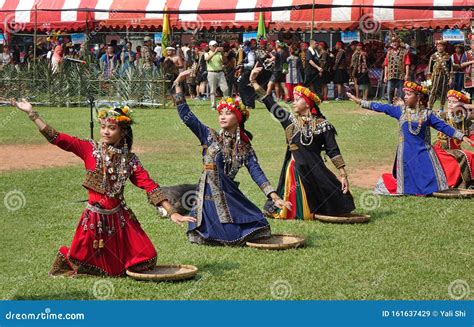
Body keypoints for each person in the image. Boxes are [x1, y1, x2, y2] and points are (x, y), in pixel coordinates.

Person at [11, 99, 195, 276]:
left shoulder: (130, 160)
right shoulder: (89, 149)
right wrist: (31, 113)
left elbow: (149, 185)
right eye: (103, 127)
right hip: (94, 217)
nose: (105, 132)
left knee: (146, 259)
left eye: (111, 128)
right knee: (84, 261)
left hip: (119, 215)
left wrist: (171, 211)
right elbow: (58, 138)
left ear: (123, 132)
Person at [172, 70, 291, 245]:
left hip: (230, 193)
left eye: (228, 113)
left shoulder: (244, 147)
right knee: (219, 233)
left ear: (239, 117)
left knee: (259, 224)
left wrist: (274, 197)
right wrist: (178, 85)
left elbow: (256, 172)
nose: (222, 116)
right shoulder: (209, 135)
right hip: (208, 195)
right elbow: (187, 117)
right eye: (221, 113)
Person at [249, 66, 355, 220]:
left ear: (308, 103)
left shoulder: (323, 125)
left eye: (297, 99)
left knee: (339, 196)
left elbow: (333, 150)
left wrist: (343, 174)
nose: (293, 102)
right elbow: (270, 102)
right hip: (294, 170)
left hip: (315, 168)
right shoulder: (289, 121)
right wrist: (253, 81)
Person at [347, 81, 473, 195]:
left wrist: (461, 136)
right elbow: (381, 107)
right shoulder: (400, 111)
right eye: (405, 94)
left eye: (409, 94)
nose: (405, 97)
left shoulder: (427, 114)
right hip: (406, 153)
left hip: (425, 152)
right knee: (407, 186)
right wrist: (360, 102)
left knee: (434, 187)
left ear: (418, 97)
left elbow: (443, 127)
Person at [433, 90, 474, 188]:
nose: (450, 104)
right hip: (440, 150)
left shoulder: (466, 122)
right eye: (449, 101)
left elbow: (472, 138)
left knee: (470, 156)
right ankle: (466, 184)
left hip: (455, 151)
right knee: (465, 155)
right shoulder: (442, 116)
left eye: (454, 102)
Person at [427, 40, 452, 112]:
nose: (440, 48)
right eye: (438, 46)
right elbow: (429, 69)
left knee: (443, 92)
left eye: (441, 46)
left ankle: (441, 107)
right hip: (435, 76)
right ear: (436, 47)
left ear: (444, 47)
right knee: (433, 91)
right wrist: (429, 78)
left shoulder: (448, 57)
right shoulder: (433, 56)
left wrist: (450, 78)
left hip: (445, 77)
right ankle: (430, 106)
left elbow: (451, 69)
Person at [205, 40, 229, 110]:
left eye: (216, 45)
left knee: (225, 89)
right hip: (211, 72)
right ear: (209, 47)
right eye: (213, 46)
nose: (215, 47)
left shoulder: (219, 53)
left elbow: (225, 61)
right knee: (212, 90)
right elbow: (206, 59)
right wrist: (215, 52)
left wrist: (222, 53)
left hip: (220, 72)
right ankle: (213, 106)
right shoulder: (207, 53)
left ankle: (226, 104)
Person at [460, 34, 474, 103]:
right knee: (468, 95)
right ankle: (469, 110)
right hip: (469, 77)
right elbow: (462, 64)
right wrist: (471, 62)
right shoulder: (466, 53)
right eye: (473, 43)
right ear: (470, 45)